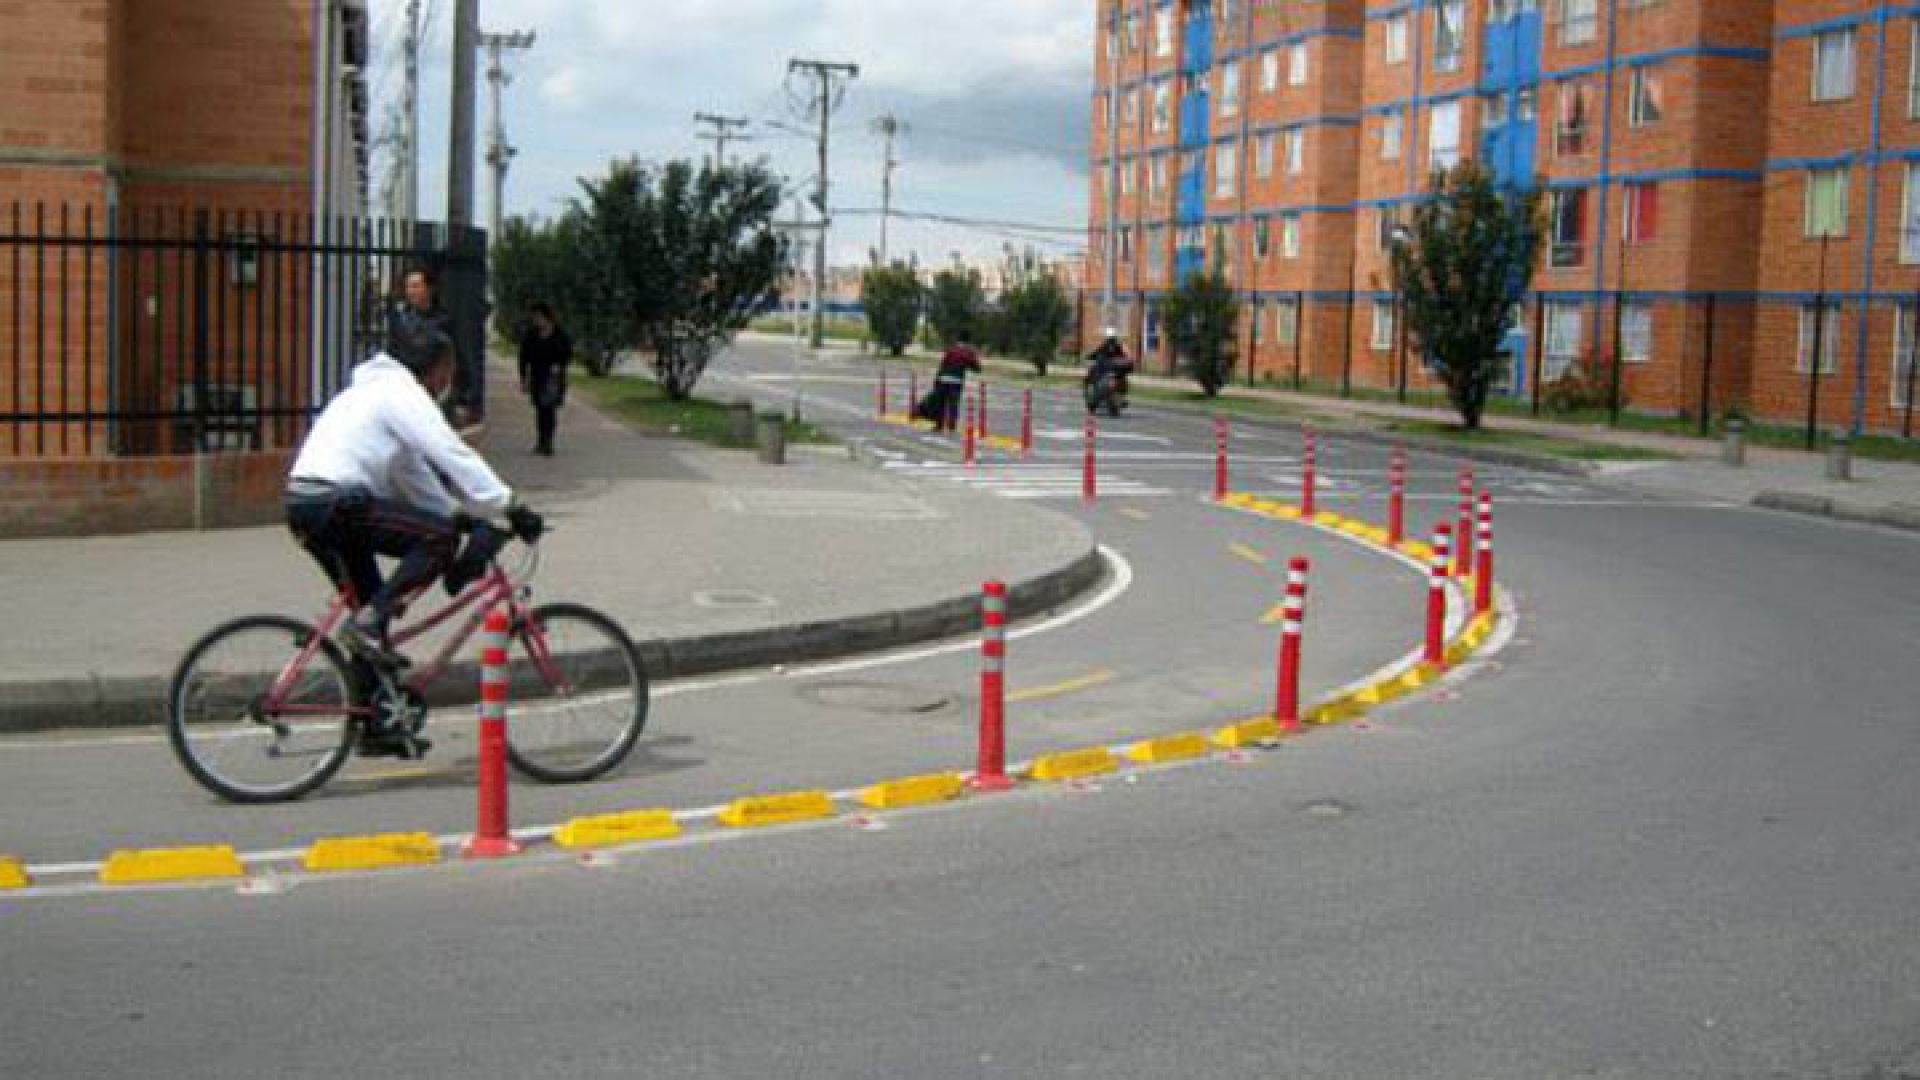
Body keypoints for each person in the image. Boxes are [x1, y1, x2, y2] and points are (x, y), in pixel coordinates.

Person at [283, 312, 539, 732]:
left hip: (307, 505)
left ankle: (374, 726)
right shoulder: (400, 392)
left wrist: (458, 514)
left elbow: (411, 471)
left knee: (371, 606)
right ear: (433, 368)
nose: (448, 381)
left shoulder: (371, 392)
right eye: (448, 371)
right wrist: (508, 504)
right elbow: (448, 451)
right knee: (437, 541)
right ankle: (370, 624)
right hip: (336, 504)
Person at [518, 301, 573, 456]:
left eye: (539, 317)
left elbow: (568, 353)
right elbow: (523, 357)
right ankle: (541, 440)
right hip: (537, 376)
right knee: (540, 410)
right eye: (534, 317)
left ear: (547, 317)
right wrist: (523, 377)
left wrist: (561, 365)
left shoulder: (560, 334)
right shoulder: (531, 335)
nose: (536, 320)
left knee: (550, 409)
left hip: (553, 377)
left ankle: (548, 441)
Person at [933, 331, 981, 433]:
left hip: (943, 378)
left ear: (958, 339)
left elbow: (943, 364)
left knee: (941, 403)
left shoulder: (951, 349)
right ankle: (951, 426)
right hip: (956, 381)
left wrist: (937, 379)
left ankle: (939, 425)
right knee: (953, 404)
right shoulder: (969, 351)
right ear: (968, 341)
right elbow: (977, 368)